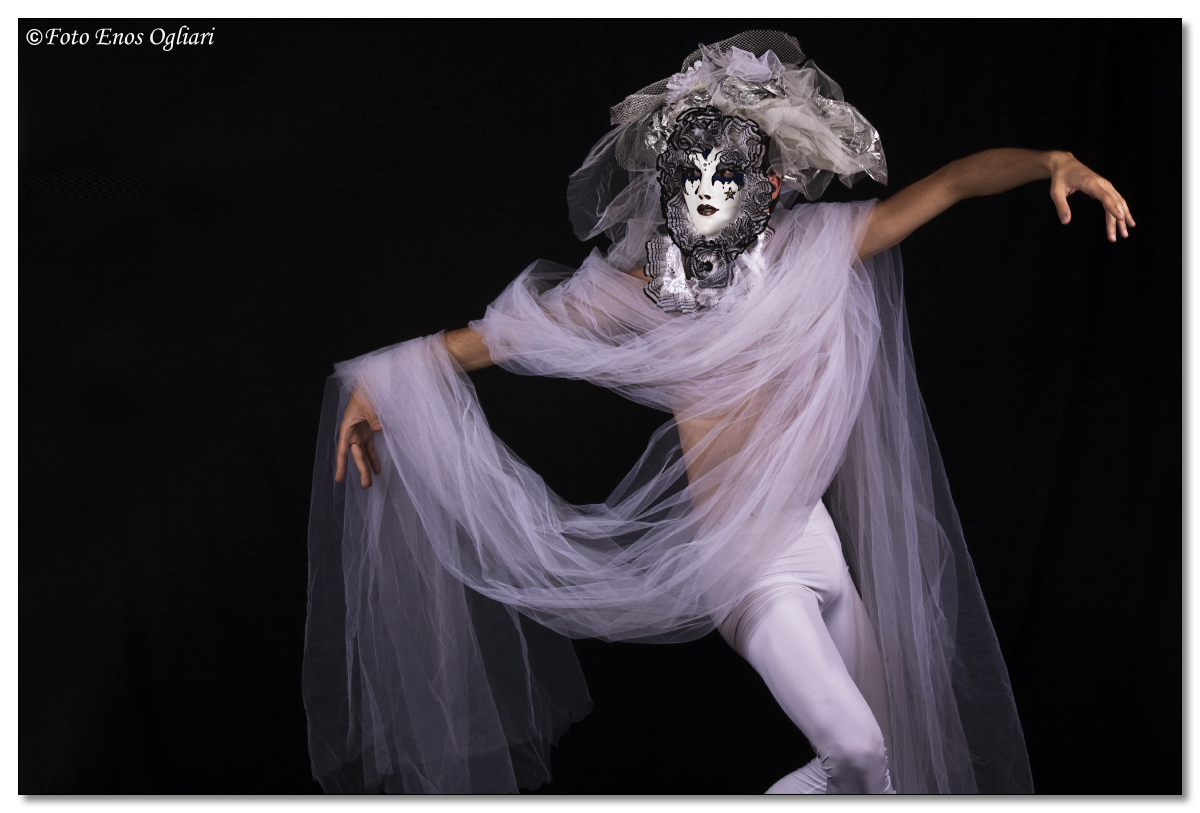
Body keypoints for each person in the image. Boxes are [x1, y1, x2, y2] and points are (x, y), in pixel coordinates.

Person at [303, 31, 1132, 795]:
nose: (703, 192)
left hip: (816, 543)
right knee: (856, 753)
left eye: (725, 177)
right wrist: (383, 380)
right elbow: (495, 338)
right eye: (689, 175)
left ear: (766, 187)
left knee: (894, 771)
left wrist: (1050, 162)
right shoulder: (638, 294)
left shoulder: (813, 250)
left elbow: (950, 183)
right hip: (749, 566)